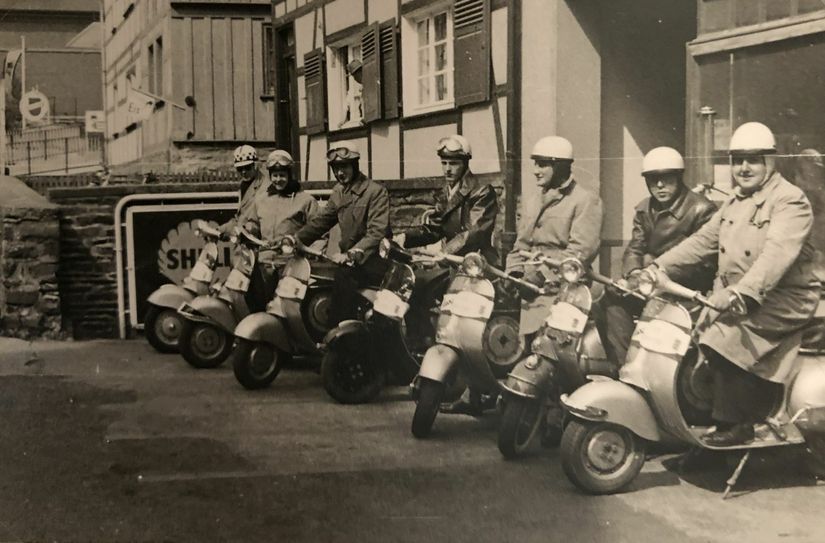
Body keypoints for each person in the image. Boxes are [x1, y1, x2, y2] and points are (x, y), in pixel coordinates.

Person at [651, 122, 821, 446]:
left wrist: (740, 293)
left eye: (753, 160)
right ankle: (705, 426)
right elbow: (703, 241)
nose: (744, 168)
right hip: (738, 293)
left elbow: (775, 256)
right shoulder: (735, 200)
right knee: (692, 331)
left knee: (726, 337)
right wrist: (658, 266)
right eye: (737, 160)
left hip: (784, 297)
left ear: (769, 161)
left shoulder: (789, 200)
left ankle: (738, 424)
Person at [599, 147, 717, 366]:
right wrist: (634, 273)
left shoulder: (702, 209)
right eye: (653, 180)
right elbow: (635, 247)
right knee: (611, 296)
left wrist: (660, 273)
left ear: (679, 177)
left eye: (667, 179)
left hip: (683, 290)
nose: (660, 185)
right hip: (649, 284)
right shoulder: (645, 209)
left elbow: (706, 261)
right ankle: (625, 366)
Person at [395, 134, 499, 355]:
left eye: (454, 163)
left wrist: (445, 252)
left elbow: (474, 232)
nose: (448, 169)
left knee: (458, 309)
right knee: (414, 285)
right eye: (444, 163)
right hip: (450, 262)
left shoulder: (481, 191)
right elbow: (435, 228)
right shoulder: (445, 192)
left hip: (475, 264)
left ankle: (456, 352)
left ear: (465, 163)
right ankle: (422, 345)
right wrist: (405, 237)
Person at [505, 136, 603, 335]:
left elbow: (579, 254)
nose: (535, 171)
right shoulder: (533, 201)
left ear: (560, 166)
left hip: (566, 289)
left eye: (542, 165)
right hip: (530, 291)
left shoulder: (585, 200)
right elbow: (520, 245)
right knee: (523, 344)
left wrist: (540, 275)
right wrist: (513, 274)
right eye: (535, 164)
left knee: (552, 346)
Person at [291, 140, 391, 325]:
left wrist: (351, 253)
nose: (339, 173)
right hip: (350, 260)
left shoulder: (375, 192)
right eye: (335, 168)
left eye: (344, 167)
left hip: (374, 259)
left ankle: (340, 331)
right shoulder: (338, 191)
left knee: (344, 278)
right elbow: (322, 221)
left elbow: (377, 233)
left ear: (354, 165)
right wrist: (295, 239)